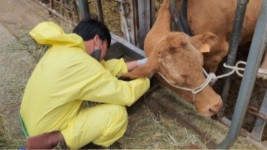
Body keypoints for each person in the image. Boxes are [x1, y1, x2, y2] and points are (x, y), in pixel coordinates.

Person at [19, 17, 150, 149]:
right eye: (105, 50)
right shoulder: (84, 64)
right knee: (117, 114)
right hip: (42, 136)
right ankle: (61, 143)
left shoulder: (65, 48)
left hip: (30, 123)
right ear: (97, 40)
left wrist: (140, 63)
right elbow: (125, 94)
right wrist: (146, 77)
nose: (103, 57)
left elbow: (103, 67)